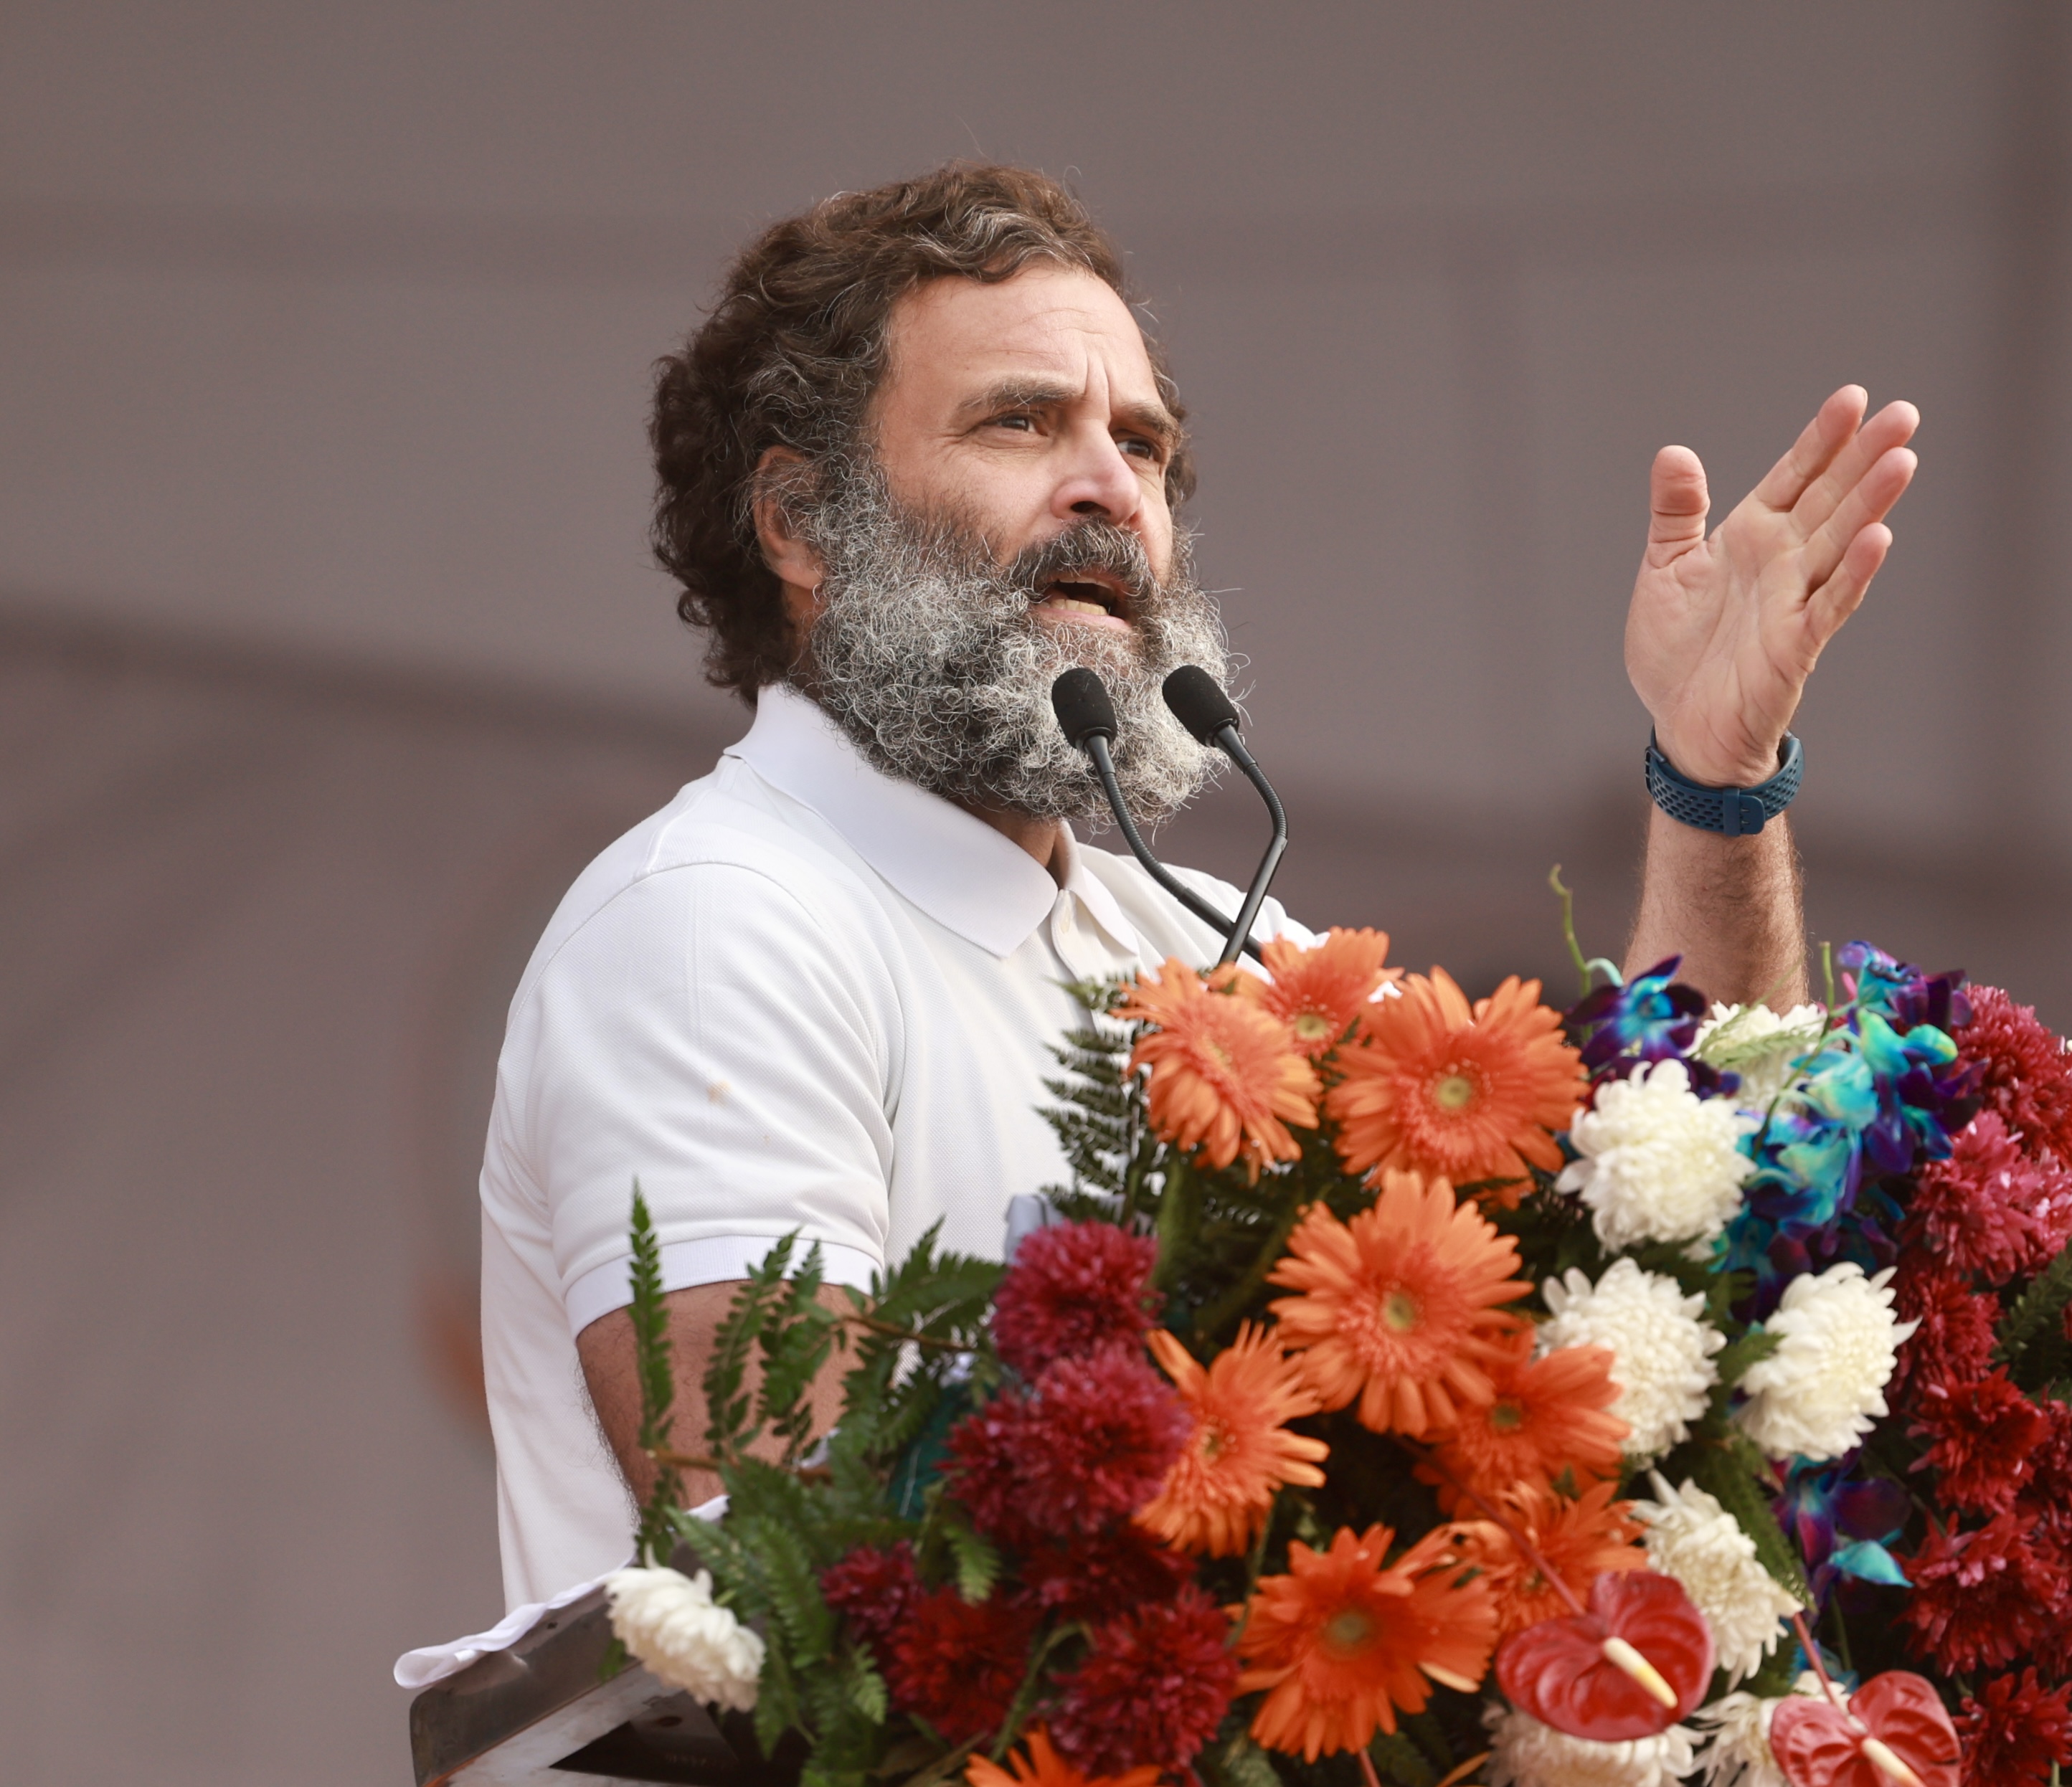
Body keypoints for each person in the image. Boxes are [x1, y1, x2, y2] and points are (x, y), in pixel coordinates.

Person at [477, 163, 1919, 1608]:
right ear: (803, 526)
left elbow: (1662, 1248)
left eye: (1145, 446)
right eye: (1021, 421)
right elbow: (797, 1562)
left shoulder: (1214, 946)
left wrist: (1716, 783)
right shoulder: (710, 919)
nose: (1112, 485)